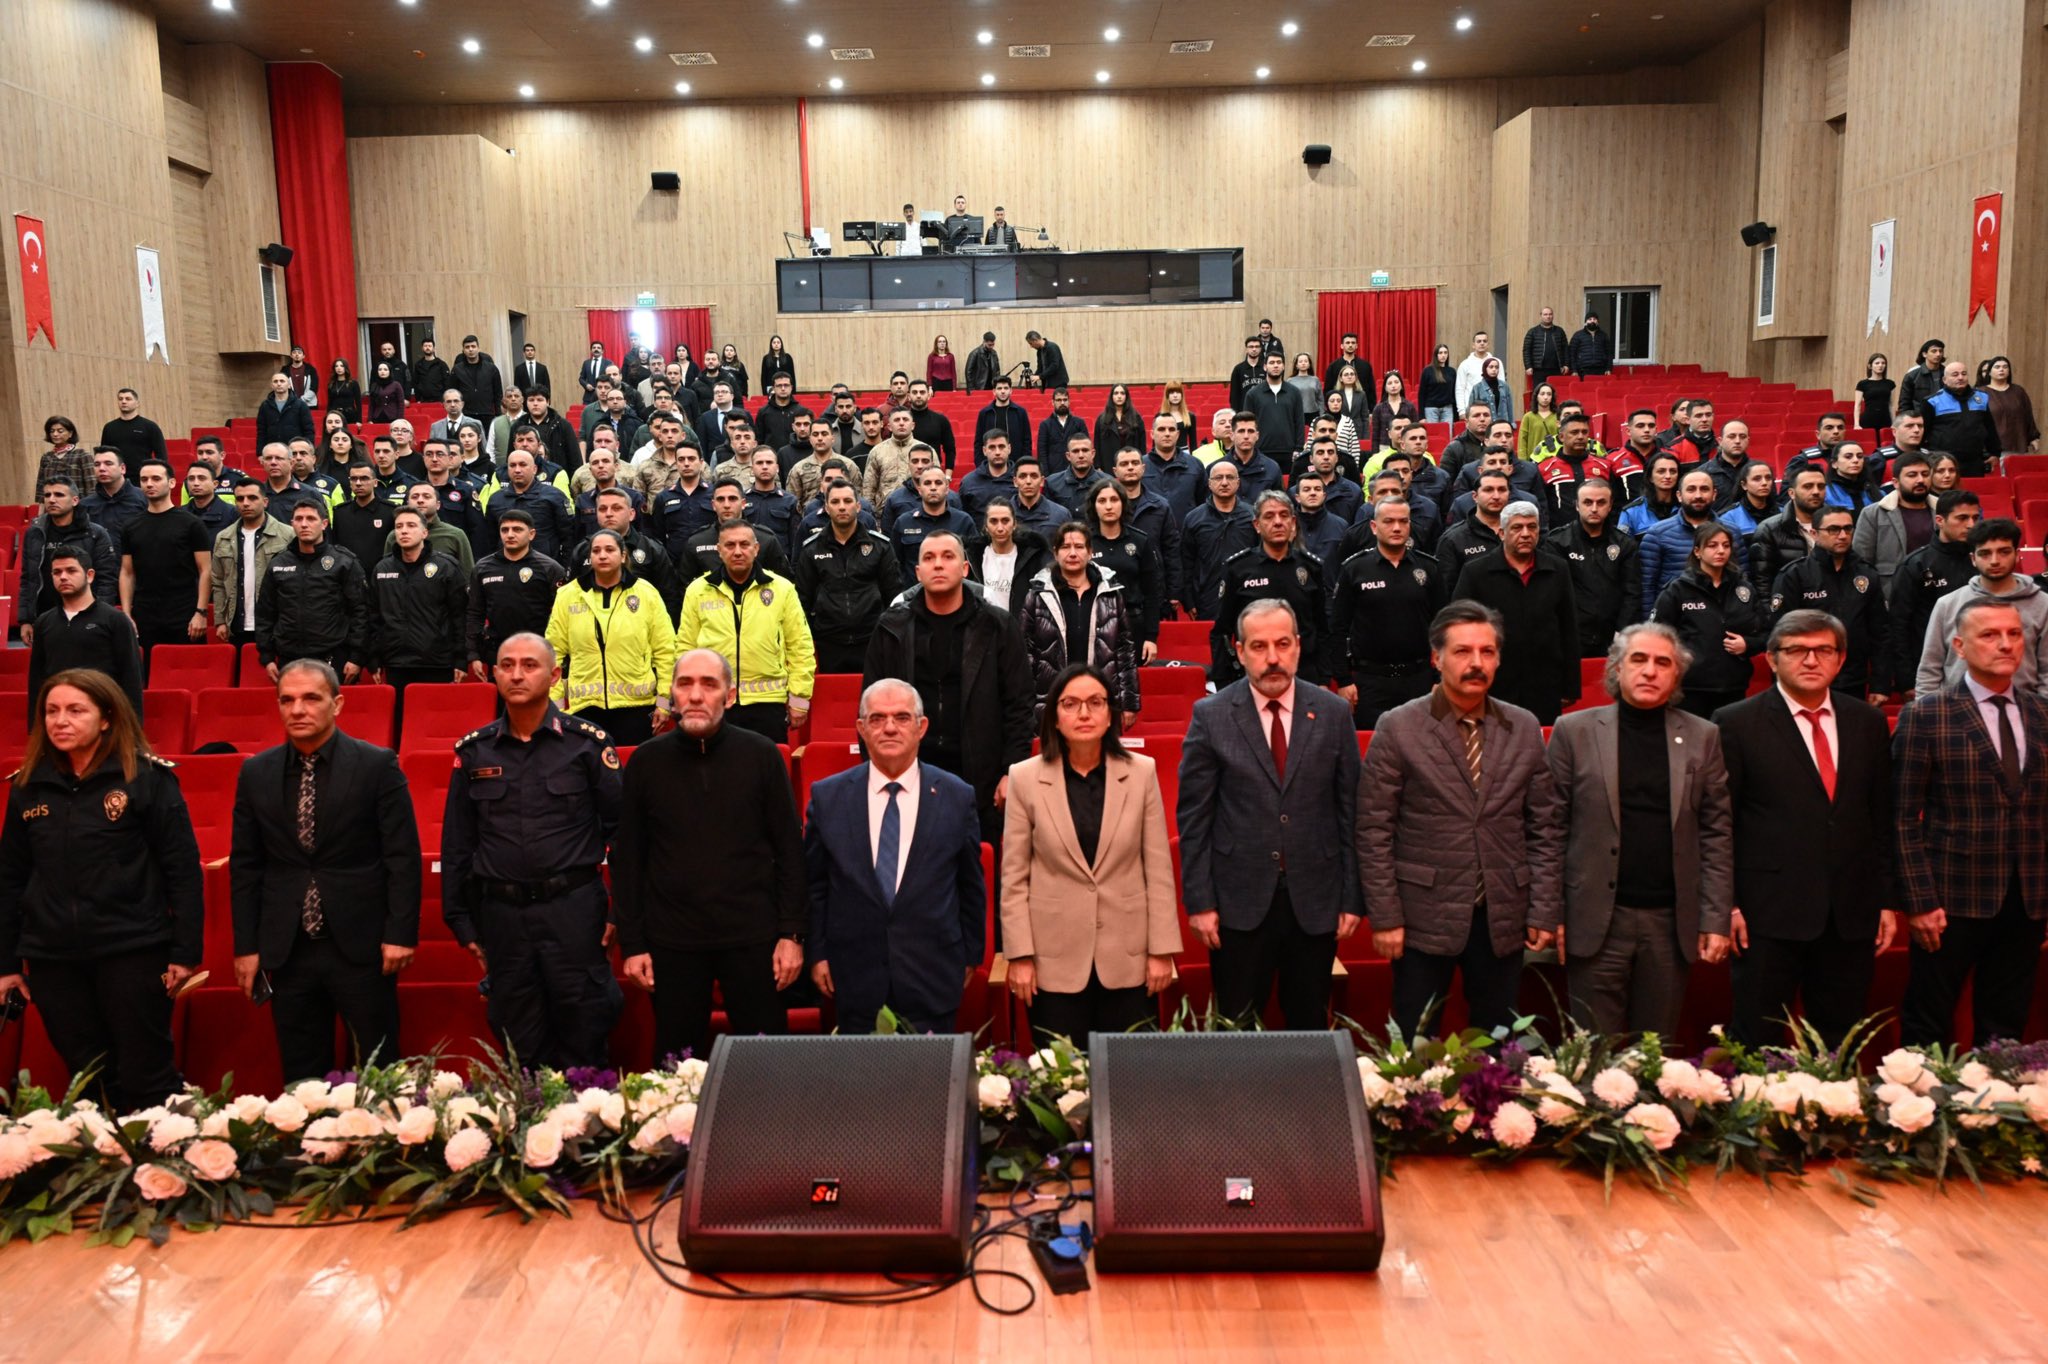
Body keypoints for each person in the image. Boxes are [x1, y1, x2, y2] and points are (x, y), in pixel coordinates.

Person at [1356, 601, 1563, 1038]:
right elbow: (1374, 830)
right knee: (1415, 1045)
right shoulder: (1398, 727)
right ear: (1436, 658)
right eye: (1463, 652)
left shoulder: (1523, 727)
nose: (1476, 663)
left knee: (1500, 1044)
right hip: (1420, 918)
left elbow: (1545, 827)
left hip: (1502, 915)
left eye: (1487, 652)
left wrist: (1544, 909)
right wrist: (1386, 916)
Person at [0, 669, 196, 1121]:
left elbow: (182, 871)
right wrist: (7, 965)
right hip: (53, 959)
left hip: (132, 949)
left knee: (148, 1076)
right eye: (51, 711)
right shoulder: (27, 784)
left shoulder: (146, 778)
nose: (60, 721)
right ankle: (102, 1182)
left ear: (107, 718)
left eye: (75, 710)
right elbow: (10, 878)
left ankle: (165, 1181)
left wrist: (185, 951)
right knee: (86, 1079)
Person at [226, 661, 418, 1081]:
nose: (298, 709)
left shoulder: (376, 765)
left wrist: (399, 933)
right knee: (301, 1075)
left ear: (338, 703)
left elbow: (402, 857)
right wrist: (246, 946)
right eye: (287, 700)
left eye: (311, 698)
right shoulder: (255, 773)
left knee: (380, 1072)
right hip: (288, 948)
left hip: (362, 946)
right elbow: (245, 865)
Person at [1713, 610, 1897, 1046]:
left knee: (1840, 1041)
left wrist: (1887, 899)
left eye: (1823, 650)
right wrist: (1730, 904)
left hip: (1850, 912)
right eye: (1797, 650)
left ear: (1841, 659)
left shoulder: (1867, 722)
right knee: (1758, 1039)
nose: (1811, 660)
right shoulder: (1735, 722)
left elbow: (1881, 818)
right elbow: (1720, 822)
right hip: (1766, 913)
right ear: (1773, 659)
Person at [611, 650, 804, 1062]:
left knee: (769, 1069)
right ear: (672, 694)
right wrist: (634, 943)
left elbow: (790, 850)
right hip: (672, 944)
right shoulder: (646, 761)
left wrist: (791, 934)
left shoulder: (763, 756)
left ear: (730, 696)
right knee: (677, 1073)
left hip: (755, 940)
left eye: (709, 685)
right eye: (685, 684)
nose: (696, 695)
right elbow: (628, 859)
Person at [441, 633, 623, 1068]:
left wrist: (621, 914)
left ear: (555, 675)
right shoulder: (474, 750)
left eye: (529, 665)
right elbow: (458, 842)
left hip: (574, 912)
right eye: (506, 665)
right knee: (519, 1043)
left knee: (585, 1036)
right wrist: (461, 922)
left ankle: (592, 1135)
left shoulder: (587, 744)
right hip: (503, 919)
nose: (517, 674)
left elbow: (626, 834)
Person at [1179, 599, 1360, 1028]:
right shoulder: (1211, 715)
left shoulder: (1333, 713)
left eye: (1282, 644)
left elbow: (1352, 811)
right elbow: (1194, 820)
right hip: (1237, 905)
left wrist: (1353, 896)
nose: (1273, 658)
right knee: (1236, 1031)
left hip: (1316, 901)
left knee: (1310, 1027)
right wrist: (1200, 902)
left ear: (1298, 646)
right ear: (1238, 651)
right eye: (1258, 647)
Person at [1545, 623, 1733, 1036]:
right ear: (1616, 669)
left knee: (1656, 1052)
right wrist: (1550, 912)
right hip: (1594, 919)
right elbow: (1550, 829)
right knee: (1594, 1055)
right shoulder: (1573, 732)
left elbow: (1717, 832)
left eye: (1662, 662)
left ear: (1676, 676)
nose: (1650, 671)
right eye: (1639, 660)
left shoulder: (1704, 737)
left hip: (1669, 923)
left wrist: (1715, 917)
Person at [1894, 598, 2048, 1045]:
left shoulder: (2042, 714)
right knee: (1928, 1024)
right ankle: (1923, 1113)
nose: (2005, 645)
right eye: (1990, 635)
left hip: (2027, 899)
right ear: (1959, 646)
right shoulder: (1926, 715)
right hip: (1950, 899)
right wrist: (1919, 901)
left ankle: (1996, 1113)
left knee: (2006, 1028)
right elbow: (1902, 817)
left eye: (2014, 634)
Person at [1002, 663, 1178, 1049]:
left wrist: (1162, 950)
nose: (1084, 713)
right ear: (1054, 716)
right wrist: (1020, 955)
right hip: (1052, 960)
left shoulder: (1142, 772)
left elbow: (1158, 869)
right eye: (1071, 703)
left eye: (1095, 702)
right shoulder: (1025, 778)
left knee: (1130, 1082)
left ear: (1111, 713)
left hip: (1129, 958)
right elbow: (1014, 878)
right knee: (1064, 1090)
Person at [805, 678, 987, 1033]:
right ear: (861, 728)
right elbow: (814, 886)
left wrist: (969, 956)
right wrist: (818, 952)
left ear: (922, 728)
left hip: (933, 977)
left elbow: (970, 887)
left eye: (902, 718)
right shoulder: (829, 798)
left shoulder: (956, 796)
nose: (889, 727)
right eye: (877, 718)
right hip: (853, 977)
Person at [864, 531, 1034, 856]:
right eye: (929, 558)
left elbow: (1019, 706)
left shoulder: (998, 626)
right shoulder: (891, 628)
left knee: (979, 877)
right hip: (910, 771)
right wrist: (876, 772)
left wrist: (1011, 772)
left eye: (947, 557)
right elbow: (869, 707)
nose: (938, 565)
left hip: (981, 777)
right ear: (917, 573)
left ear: (965, 568)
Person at [673, 519, 814, 744]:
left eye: (744, 545)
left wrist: (799, 698)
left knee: (765, 774)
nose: (737, 551)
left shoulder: (782, 589)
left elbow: (800, 646)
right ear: (719, 551)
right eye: (730, 546)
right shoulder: (698, 590)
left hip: (767, 704)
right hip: (714, 700)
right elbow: (685, 648)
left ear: (756, 549)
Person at [1451, 502, 1581, 725]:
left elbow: (1569, 628)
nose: (1525, 534)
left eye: (1532, 527)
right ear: (1501, 533)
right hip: (1493, 682)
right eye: (1517, 528)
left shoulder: (1557, 569)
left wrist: (1570, 685)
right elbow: (1458, 628)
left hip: (1544, 683)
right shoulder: (1476, 572)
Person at [546, 528, 677, 746]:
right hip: (583, 709)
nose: (602, 555)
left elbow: (665, 651)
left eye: (609, 550)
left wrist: (663, 703)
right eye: (596, 551)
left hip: (636, 708)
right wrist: (557, 707)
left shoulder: (646, 593)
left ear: (623, 555)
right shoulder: (568, 595)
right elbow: (553, 654)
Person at [1330, 493, 1448, 729]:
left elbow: (1443, 627)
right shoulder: (1354, 569)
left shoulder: (1429, 568)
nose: (1397, 528)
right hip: (1369, 682)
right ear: (1374, 526)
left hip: (1419, 680)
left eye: (1403, 521)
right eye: (1389, 521)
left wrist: (1440, 679)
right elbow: (1338, 627)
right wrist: (1343, 680)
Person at [1913, 517, 2048, 695]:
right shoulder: (1947, 604)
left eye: (2004, 552)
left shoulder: (2043, 603)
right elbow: (1929, 669)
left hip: (2025, 713)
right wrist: (1927, 715)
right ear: (1973, 559)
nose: (1994, 561)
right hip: (1958, 713)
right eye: (1985, 553)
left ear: (2017, 555)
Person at [1019, 521, 1140, 719]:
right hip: (1051, 699)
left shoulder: (1110, 593)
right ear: (1056, 553)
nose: (1072, 553)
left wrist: (1129, 704)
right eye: (1066, 547)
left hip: (1099, 696)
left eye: (1079, 547)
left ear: (1090, 552)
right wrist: (1026, 705)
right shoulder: (1038, 595)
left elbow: (1124, 651)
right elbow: (1026, 654)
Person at [1769, 506, 1889, 700]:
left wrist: (1880, 684)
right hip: (1807, 677)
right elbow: (1779, 635)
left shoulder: (1866, 575)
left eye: (1848, 529)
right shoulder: (1794, 575)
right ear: (1815, 534)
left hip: (1854, 680)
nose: (1842, 535)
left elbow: (1881, 634)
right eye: (1833, 529)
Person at [1212, 491, 1331, 687]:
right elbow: (1221, 632)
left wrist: (1324, 679)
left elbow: (1322, 629)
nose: (1278, 522)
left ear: (1293, 522)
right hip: (1253, 674)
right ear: (1257, 525)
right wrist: (1222, 683)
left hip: (1304, 674)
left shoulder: (1311, 567)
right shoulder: (1238, 569)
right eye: (1269, 516)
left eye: (1284, 515)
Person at [1651, 522, 1768, 719]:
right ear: (1698, 551)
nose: (1720, 551)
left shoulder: (1744, 589)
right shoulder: (1678, 590)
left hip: (1734, 685)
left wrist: (1748, 644)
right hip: (1691, 687)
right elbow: (1657, 636)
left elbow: (1767, 633)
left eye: (1725, 545)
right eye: (1712, 545)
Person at [793, 482, 900, 675]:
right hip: (828, 643)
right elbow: (803, 601)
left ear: (858, 506)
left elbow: (893, 597)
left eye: (848, 501)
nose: (842, 506)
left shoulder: (880, 547)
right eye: (835, 501)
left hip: (872, 641)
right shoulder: (811, 549)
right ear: (826, 508)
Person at [255, 501, 369, 682]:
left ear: (324, 524)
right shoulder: (279, 563)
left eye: (311, 518)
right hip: (289, 657)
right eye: (299, 519)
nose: (304, 524)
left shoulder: (344, 562)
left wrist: (356, 657)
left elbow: (360, 612)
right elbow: (265, 613)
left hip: (333, 656)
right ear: (292, 523)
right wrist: (267, 657)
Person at [25, 545, 144, 717]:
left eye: (71, 570)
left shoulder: (115, 620)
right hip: (59, 720)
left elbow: (131, 679)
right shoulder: (44, 622)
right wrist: (35, 728)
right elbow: (37, 681)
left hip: (104, 719)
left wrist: (133, 731)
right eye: (57, 572)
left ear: (90, 575)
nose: (63, 577)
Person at [117, 459, 211, 674]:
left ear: (171, 483)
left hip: (184, 614)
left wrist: (201, 612)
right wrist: (126, 613)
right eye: (144, 479)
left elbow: (205, 570)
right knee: (147, 675)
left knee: (187, 673)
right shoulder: (131, 526)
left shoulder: (191, 523)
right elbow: (127, 572)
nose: (149, 484)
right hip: (145, 615)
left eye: (156, 479)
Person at [1886, 490, 1982, 696]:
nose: (1971, 525)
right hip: (1931, 671)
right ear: (1940, 520)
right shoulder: (1916, 564)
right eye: (1962, 518)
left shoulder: (1983, 561)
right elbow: (1898, 624)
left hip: (1980, 666)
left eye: (1975, 517)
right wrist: (1906, 680)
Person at [465, 509, 569, 680]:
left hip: (537, 650)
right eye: (505, 530)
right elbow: (475, 613)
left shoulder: (550, 568)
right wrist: (473, 655)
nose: (510, 534)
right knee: (500, 704)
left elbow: (563, 615)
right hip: (497, 651)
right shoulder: (482, 568)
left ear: (532, 534)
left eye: (517, 529)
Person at [17, 478, 119, 644]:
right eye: (47, 495)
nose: (51, 499)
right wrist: (26, 620)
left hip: (86, 617)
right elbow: (28, 578)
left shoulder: (95, 534)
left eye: (58, 495)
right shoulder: (34, 533)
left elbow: (107, 580)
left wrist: (99, 618)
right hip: (44, 618)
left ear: (75, 500)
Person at [1549, 479, 1641, 659]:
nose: (1594, 508)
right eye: (1587, 502)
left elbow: (1632, 592)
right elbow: (1552, 593)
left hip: (1612, 638)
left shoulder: (1625, 545)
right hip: (1570, 636)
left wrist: (1622, 631)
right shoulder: (1557, 542)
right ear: (1576, 505)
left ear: (1610, 505)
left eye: (1601, 502)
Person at [1638, 468, 1747, 614]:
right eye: (1691, 490)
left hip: (1722, 615)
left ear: (1714, 494)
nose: (1698, 495)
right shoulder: (1657, 534)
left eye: (1704, 489)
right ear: (1679, 495)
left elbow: (1744, 580)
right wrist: (1651, 628)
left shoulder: (1731, 532)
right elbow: (1647, 587)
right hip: (1674, 618)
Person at [1852, 449, 1934, 601]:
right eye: (1912, 475)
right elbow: (1861, 563)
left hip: (1936, 592)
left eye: (1925, 474)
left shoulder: (1943, 511)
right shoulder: (1873, 514)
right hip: (1891, 596)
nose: (1920, 480)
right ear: (1895, 482)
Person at [1919, 360, 2001, 477]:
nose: (1960, 377)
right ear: (1944, 380)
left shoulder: (1981, 398)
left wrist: (1994, 452)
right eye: (1955, 375)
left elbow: (1989, 427)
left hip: (1974, 461)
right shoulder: (1931, 401)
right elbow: (1923, 432)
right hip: (1942, 462)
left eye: (1964, 374)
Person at [84, 448, 147, 552]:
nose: (101, 468)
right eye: (97, 464)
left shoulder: (143, 498)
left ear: (122, 468)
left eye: (108, 463)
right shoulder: (85, 505)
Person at [1981, 355, 2040, 455]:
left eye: (2005, 367)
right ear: (1989, 372)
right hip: (1991, 447)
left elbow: (2028, 416)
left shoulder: (2018, 391)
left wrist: (2033, 437)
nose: (2001, 370)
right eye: (1997, 367)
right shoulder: (1981, 393)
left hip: (2017, 443)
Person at [1370, 370, 1421, 452]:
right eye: (1390, 383)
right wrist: (1374, 453)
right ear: (1385, 388)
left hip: (1406, 446)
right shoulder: (1379, 408)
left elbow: (1415, 429)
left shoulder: (1410, 406)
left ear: (1401, 386)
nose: (1393, 386)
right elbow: (1375, 435)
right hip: (1384, 447)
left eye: (1396, 382)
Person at [1522, 306, 1571, 391]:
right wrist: (1528, 366)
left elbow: (1565, 349)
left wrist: (1566, 364)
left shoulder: (1559, 331)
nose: (1548, 316)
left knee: (1555, 393)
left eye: (1550, 314)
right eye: (1545, 314)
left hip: (1556, 369)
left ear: (1553, 316)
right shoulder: (1533, 332)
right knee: (1538, 392)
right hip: (1538, 370)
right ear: (1541, 316)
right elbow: (1526, 350)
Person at [1855, 352, 1894, 437]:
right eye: (1877, 363)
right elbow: (1857, 405)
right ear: (1870, 366)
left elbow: (1891, 405)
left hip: (1885, 419)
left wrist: (1894, 423)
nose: (1880, 365)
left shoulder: (1890, 383)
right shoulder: (1863, 384)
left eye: (1883, 363)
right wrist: (1856, 424)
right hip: (1868, 419)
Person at [1418, 344, 1458, 424]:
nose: (1443, 355)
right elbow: (1422, 394)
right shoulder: (1428, 371)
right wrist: (1421, 416)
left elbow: (1454, 393)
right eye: (1440, 353)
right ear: (1436, 355)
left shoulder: (1452, 371)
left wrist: (1456, 415)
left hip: (1447, 409)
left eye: (1445, 353)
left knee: (1447, 435)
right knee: (1432, 435)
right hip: (1431, 409)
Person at [1567, 311, 1611, 377]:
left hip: (1601, 371)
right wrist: (1574, 370)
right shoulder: (1578, 335)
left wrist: (1608, 368)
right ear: (1586, 322)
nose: (1592, 321)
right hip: (1582, 371)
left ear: (1597, 322)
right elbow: (1572, 354)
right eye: (1590, 319)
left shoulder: (1604, 335)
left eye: (1594, 319)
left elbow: (1609, 354)